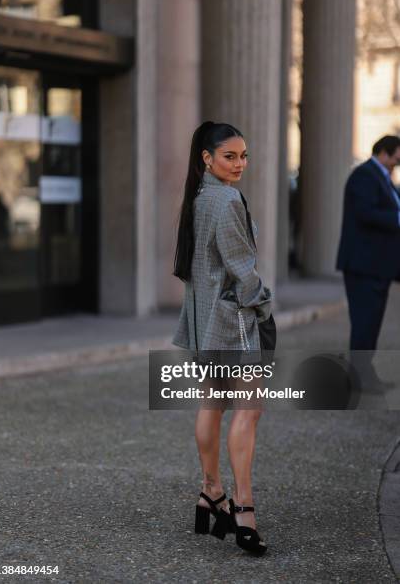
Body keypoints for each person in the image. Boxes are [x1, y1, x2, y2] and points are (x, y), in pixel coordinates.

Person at [172, 121, 275, 555]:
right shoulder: (227, 198)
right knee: (248, 413)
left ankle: (210, 492)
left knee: (211, 404)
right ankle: (244, 509)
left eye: (244, 156)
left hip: (203, 318)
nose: (240, 165)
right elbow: (240, 267)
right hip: (234, 321)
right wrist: (263, 306)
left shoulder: (198, 198)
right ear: (207, 158)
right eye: (230, 156)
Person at [336, 135, 400, 390]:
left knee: (372, 322)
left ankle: (365, 374)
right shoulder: (364, 175)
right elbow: (366, 213)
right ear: (384, 152)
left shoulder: (383, 178)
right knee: (364, 322)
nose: (397, 163)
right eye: (396, 158)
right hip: (364, 265)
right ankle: (359, 377)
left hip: (377, 266)